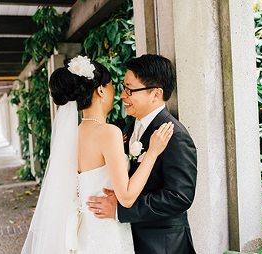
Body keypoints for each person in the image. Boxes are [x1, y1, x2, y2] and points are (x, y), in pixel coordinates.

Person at [21, 55, 174, 253]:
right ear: (101, 90)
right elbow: (127, 198)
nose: (118, 93)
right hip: (106, 231)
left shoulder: (73, 135)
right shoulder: (108, 133)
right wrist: (152, 152)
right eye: (112, 86)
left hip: (84, 231)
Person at [87, 54, 198, 253]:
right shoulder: (127, 129)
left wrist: (121, 209)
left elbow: (179, 197)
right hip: (130, 240)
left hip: (162, 244)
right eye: (123, 88)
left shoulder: (175, 136)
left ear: (156, 94)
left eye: (130, 90)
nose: (123, 96)